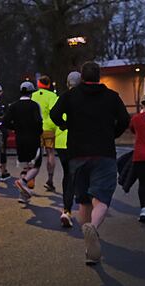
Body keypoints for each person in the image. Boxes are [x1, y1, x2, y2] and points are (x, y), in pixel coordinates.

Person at [50, 61, 130, 265]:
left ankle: (88, 246)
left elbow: (54, 114)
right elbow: (124, 119)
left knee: (83, 199)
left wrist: (66, 125)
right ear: (99, 77)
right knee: (101, 197)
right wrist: (112, 133)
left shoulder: (70, 96)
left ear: (82, 77)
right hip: (103, 152)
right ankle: (93, 227)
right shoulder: (111, 97)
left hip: (77, 153)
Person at [4, 81, 43, 204]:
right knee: (36, 165)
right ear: (31, 93)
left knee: (25, 166)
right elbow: (38, 122)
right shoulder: (34, 106)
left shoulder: (13, 106)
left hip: (20, 139)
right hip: (33, 138)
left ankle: (23, 195)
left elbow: (5, 122)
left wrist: (15, 128)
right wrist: (39, 131)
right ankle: (24, 182)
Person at [54, 71, 81, 228]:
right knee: (78, 174)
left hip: (61, 141)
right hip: (76, 142)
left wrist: (62, 125)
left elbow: (54, 114)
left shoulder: (62, 97)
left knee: (68, 175)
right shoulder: (82, 98)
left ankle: (66, 210)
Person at [31, 75, 58, 192]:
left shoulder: (33, 95)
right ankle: (50, 180)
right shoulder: (52, 96)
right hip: (48, 128)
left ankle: (31, 179)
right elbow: (54, 111)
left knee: (36, 154)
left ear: (38, 84)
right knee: (50, 153)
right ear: (48, 84)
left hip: (35, 128)